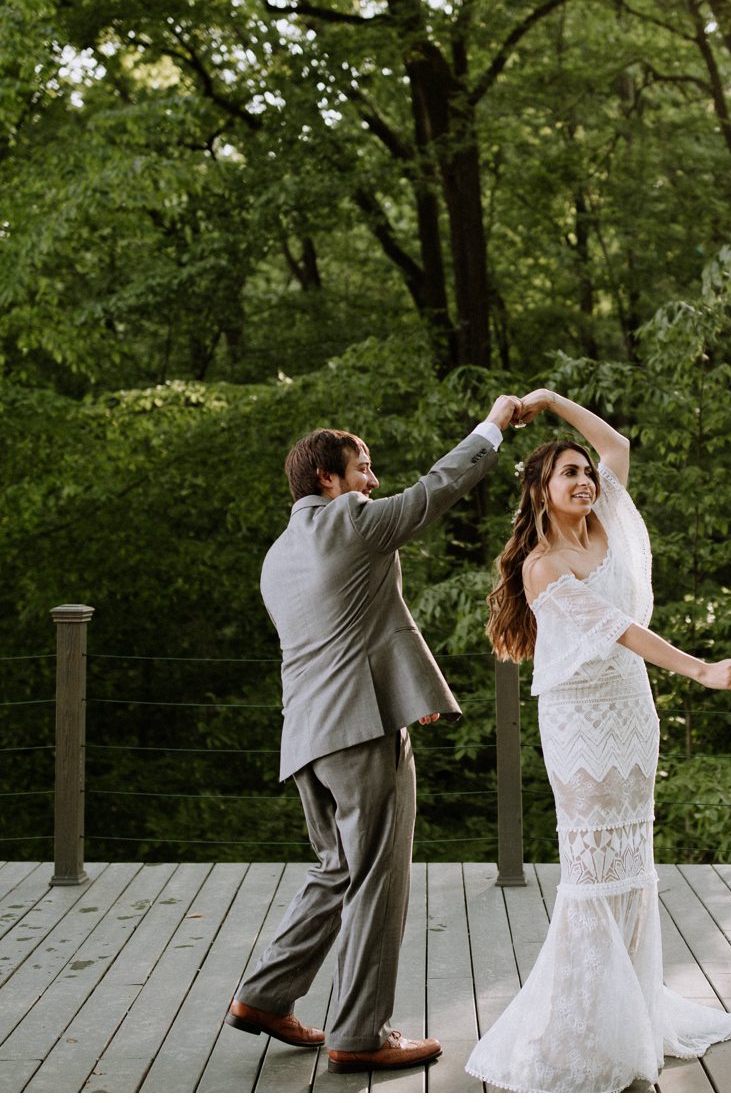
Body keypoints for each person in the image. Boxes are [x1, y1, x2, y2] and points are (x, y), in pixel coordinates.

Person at [465, 388, 731, 1094]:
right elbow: (616, 629)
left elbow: (617, 447)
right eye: (568, 472)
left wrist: (551, 401)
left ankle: (632, 1017)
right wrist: (699, 669)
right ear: (541, 490)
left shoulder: (608, 524)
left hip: (631, 707)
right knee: (594, 872)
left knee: (635, 866)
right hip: (578, 718)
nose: (585, 479)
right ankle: (585, 1034)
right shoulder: (542, 565)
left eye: (583, 472)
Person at [227, 395, 520, 1075]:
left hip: (306, 737)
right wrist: (493, 426)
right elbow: (434, 492)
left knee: (337, 869)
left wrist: (408, 690)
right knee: (377, 878)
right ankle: (359, 1034)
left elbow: (355, 629)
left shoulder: (279, 556)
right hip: (359, 734)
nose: (374, 481)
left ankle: (265, 995)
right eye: (364, 468)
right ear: (328, 478)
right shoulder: (350, 522)